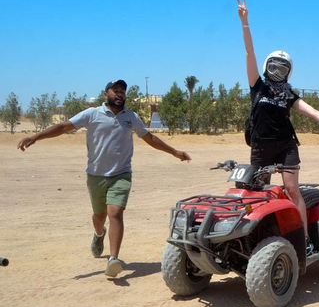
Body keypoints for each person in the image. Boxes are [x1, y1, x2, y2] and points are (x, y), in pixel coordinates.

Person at [17, 80, 191, 277]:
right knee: (99, 216)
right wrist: (35, 137)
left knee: (115, 213)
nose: (119, 94)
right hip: (96, 176)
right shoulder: (92, 114)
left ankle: (113, 259)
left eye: (122, 92)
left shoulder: (131, 117)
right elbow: (64, 126)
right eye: (115, 91)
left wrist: (174, 152)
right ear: (105, 94)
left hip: (121, 174)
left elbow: (149, 138)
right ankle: (99, 233)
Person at [238, 0, 319, 255]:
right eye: (274, 66)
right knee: (257, 191)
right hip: (260, 146)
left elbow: (313, 112)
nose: (278, 70)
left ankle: (303, 240)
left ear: (289, 71)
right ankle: (258, 238)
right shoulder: (256, 85)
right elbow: (250, 52)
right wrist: (245, 23)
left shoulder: (289, 94)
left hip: (285, 146)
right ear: (267, 66)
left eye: (283, 67)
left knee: (292, 189)